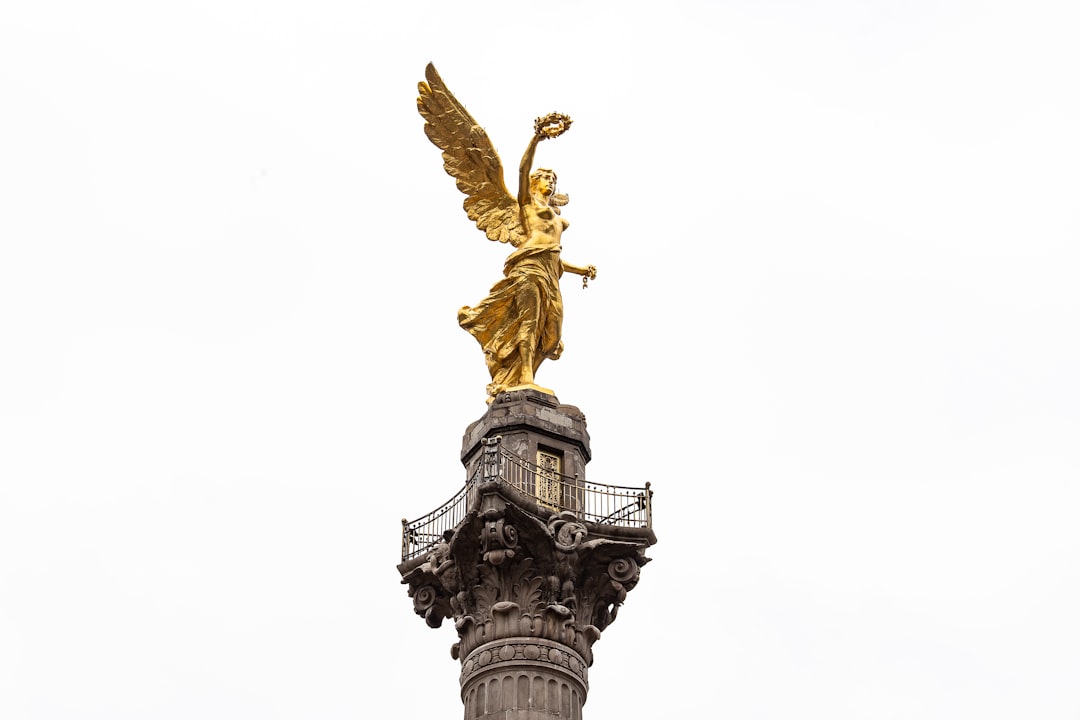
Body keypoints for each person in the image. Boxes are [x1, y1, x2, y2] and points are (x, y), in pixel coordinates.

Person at [457, 132, 597, 400]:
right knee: (529, 323)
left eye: (554, 180)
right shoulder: (526, 205)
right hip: (528, 269)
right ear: (534, 182)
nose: (552, 182)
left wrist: (581, 270)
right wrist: (537, 138)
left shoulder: (556, 217)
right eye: (547, 177)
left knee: (552, 336)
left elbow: (553, 255)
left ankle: (525, 373)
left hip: (549, 272)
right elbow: (522, 169)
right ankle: (525, 377)